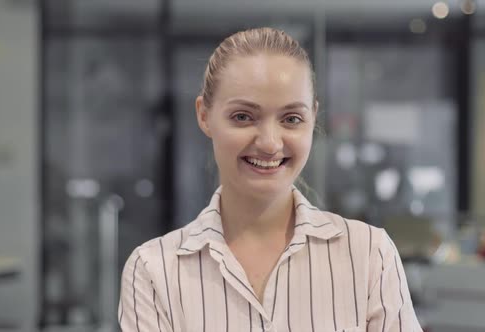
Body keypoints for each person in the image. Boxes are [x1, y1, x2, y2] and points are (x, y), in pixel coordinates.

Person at [118, 27, 423, 332]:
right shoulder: (153, 270)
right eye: (243, 117)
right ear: (204, 116)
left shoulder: (370, 254)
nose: (269, 143)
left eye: (291, 119)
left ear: (313, 118)